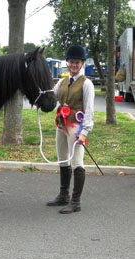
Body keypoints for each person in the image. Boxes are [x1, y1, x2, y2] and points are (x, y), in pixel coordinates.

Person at [47, 44, 95, 214]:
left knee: (77, 163)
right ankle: (63, 195)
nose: (74, 65)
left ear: (82, 63)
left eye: (77, 62)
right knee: (63, 160)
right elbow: (51, 96)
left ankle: (75, 202)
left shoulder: (86, 84)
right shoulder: (62, 81)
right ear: (67, 62)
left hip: (76, 126)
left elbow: (89, 110)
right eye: (71, 62)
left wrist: (84, 132)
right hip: (61, 125)